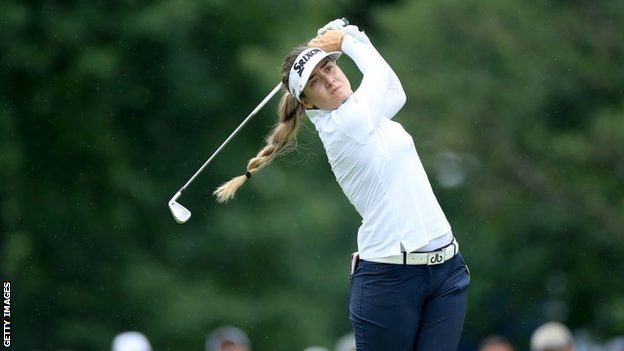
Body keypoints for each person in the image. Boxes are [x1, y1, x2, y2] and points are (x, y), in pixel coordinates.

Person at [213, 18, 471, 351]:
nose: (330, 80)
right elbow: (377, 76)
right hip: (390, 280)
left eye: (329, 69)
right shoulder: (343, 127)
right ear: (307, 102)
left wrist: (354, 36)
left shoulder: (367, 114)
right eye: (316, 82)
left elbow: (394, 90)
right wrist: (346, 43)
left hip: (447, 270)